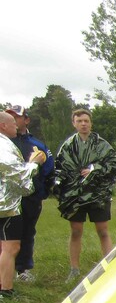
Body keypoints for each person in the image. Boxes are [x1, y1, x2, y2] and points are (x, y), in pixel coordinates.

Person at [55, 108, 116, 282]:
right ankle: (74, 269)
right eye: (79, 121)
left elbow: (113, 164)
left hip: (98, 194)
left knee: (103, 231)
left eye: (86, 120)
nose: (83, 124)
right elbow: (60, 168)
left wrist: (95, 170)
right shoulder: (68, 146)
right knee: (76, 231)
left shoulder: (102, 144)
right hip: (75, 196)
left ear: (91, 123)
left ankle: (109, 266)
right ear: (74, 123)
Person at [5, 105, 55, 282]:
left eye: (16, 117)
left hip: (30, 197)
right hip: (7, 198)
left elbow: (49, 170)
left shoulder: (37, 145)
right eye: (10, 117)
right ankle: (5, 273)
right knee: (6, 237)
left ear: (26, 120)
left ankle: (23, 270)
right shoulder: (4, 143)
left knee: (27, 233)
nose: (14, 121)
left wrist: (40, 192)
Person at [0, 112, 46, 298]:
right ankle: (6, 291)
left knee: (6, 247)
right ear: (3, 125)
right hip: (6, 205)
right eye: (12, 123)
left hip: (7, 202)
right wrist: (34, 163)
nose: (16, 127)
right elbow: (16, 174)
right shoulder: (3, 146)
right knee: (11, 247)